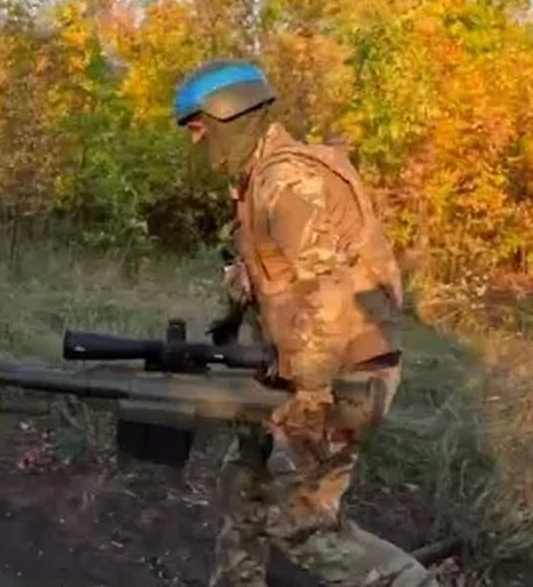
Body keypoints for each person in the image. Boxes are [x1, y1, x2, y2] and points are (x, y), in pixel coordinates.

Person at [173, 59, 442, 587]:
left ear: (229, 115)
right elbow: (291, 283)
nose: (195, 145)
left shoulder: (288, 180)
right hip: (303, 370)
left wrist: (312, 391)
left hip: (340, 376)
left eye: (198, 129)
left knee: (299, 524)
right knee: (243, 489)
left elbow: (328, 291)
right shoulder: (260, 180)